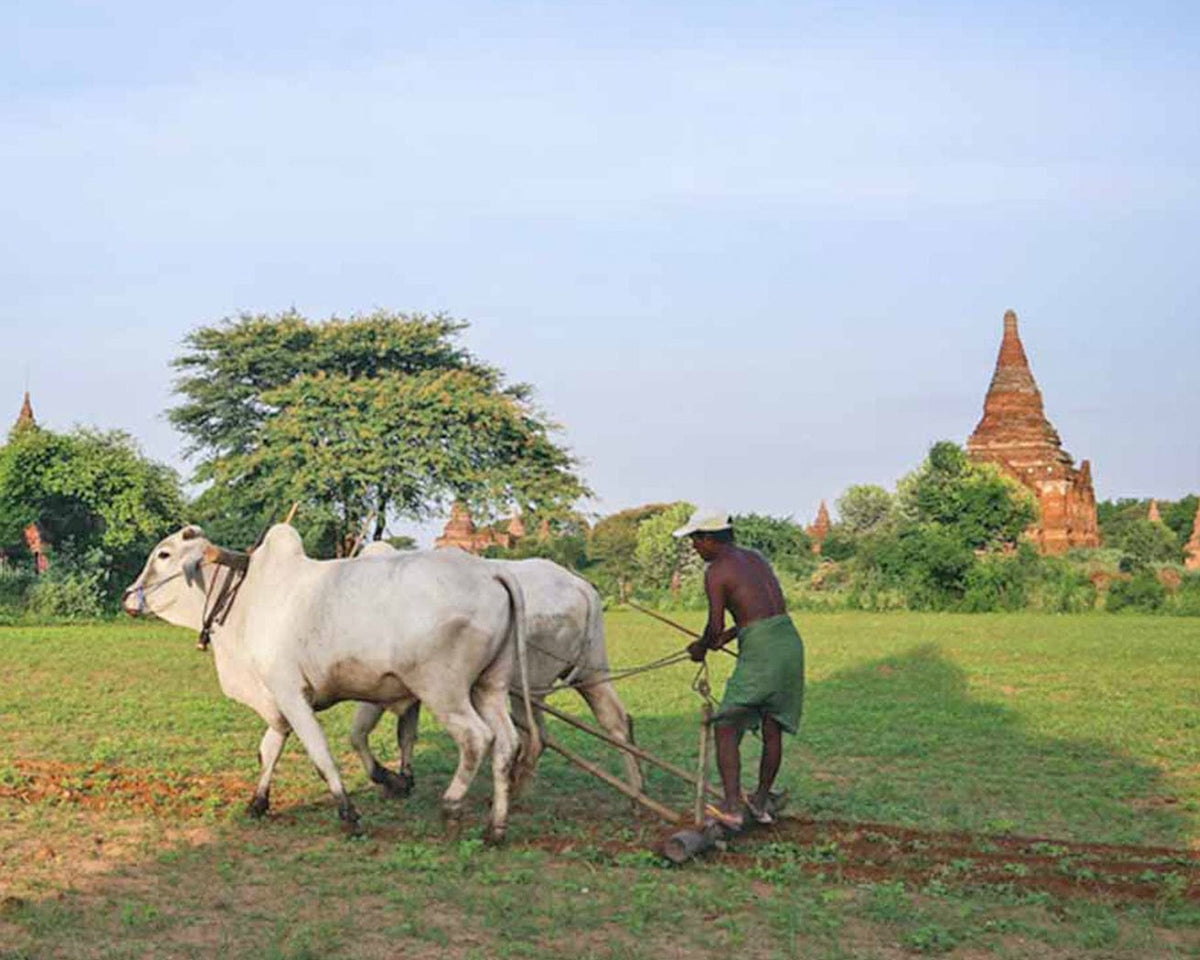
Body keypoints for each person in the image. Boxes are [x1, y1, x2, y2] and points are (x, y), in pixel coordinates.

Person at [674, 508, 806, 831]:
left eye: (695, 540)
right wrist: (729, 636)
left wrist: (702, 646)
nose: (694, 547)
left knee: (727, 726)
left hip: (762, 651)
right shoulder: (755, 558)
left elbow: (714, 624)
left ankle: (732, 807)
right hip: (788, 641)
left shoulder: (717, 571)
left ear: (709, 539)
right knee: (771, 727)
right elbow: (760, 612)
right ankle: (759, 801)